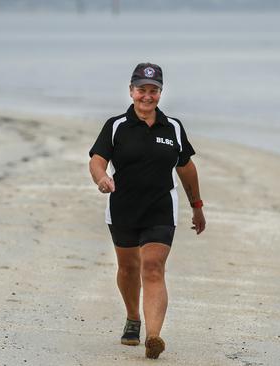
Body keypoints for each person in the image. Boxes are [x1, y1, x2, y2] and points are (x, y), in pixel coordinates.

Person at [88, 62, 206, 359]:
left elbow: (186, 168)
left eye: (153, 90)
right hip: (123, 209)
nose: (147, 96)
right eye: (141, 90)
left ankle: (154, 337)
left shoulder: (174, 127)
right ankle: (133, 318)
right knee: (128, 268)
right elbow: (97, 160)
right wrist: (102, 178)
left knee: (153, 267)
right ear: (131, 91)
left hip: (160, 210)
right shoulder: (116, 126)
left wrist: (197, 206)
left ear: (160, 93)